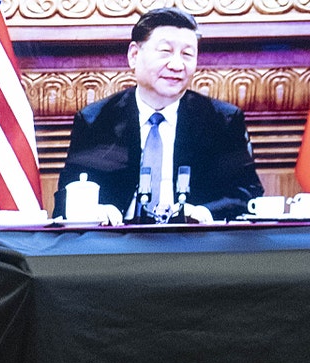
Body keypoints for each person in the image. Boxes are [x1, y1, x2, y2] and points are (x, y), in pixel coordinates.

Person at [57, 7, 263, 223]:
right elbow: (66, 198)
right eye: (165, 52)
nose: (177, 65)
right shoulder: (96, 120)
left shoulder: (222, 121)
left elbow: (248, 194)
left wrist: (205, 212)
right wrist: (96, 210)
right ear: (134, 55)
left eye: (187, 54)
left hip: (194, 244)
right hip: (117, 243)